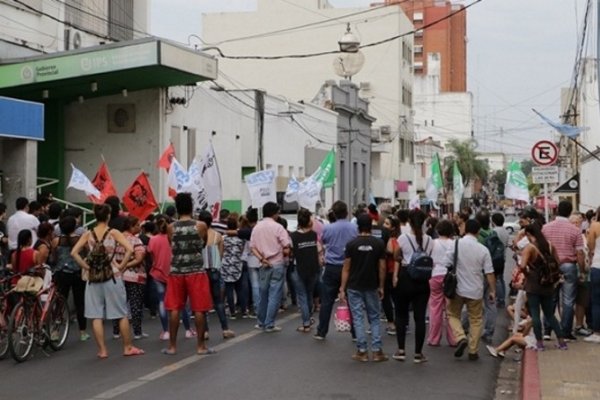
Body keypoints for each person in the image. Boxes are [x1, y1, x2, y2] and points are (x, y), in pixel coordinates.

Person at [71, 204, 144, 358]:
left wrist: (86, 266)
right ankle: (127, 347)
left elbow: (74, 252)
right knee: (121, 313)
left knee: (96, 315)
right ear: (108, 216)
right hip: (112, 276)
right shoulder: (114, 232)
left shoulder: (88, 234)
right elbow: (130, 249)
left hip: (93, 277)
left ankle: (102, 350)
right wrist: (121, 266)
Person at [162, 193, 213, 355]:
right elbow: (203, 244)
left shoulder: (171, 228)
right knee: (199, 309)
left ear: (177, 209)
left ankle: (172, 346)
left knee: (175, 308)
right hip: (196, 270)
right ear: (191, 207)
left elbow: (172, 246)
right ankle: (200, 346)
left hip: (177, 271)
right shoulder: (201, 226)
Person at [339, 214, 388, 362]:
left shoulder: (351, 244)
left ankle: (362, 350)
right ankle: (377, 350)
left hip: (354, 285)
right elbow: (382, 267)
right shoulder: (379, 243)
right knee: (374, 317)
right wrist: (381, 286)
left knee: (358, 317)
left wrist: (342, 288)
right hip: (372, 284)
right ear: (371, 225)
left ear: (358, 226)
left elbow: (346, 268)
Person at [445, 219, 496, 361]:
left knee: (452, 314)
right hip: (476, 289)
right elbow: (489, 272)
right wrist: (492, 290)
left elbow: (446, 262)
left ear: (465, 229)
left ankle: (461, 336)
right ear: (478, 231)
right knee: (476, 319)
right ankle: (473, 350)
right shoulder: (483, 249)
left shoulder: (456, 245)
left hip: (458, 288)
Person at [392, 209, 434, 363]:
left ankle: (401, 350)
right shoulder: (430, 240)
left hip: (405, 277)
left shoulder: (403, 238)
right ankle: (418, 353)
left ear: (409, 222)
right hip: (423, 281)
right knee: (420, 317)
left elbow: (396, 255)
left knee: (401, 315)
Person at [519, 223, 567, 351]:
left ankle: (539, 343)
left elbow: (522, 266)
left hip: (533, 284)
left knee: (535, 313)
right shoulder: (550, 245)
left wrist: (527, 274)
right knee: (550, 315)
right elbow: (558, 262)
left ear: (529, 234)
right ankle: (562, 342)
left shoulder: (530, 248)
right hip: (548, 284)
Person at [542, 200, 586, 341]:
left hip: (551, 266)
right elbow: (580, 253)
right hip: (568, 265)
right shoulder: (574, 230)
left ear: (557, 211)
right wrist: (582, 270)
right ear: (569, 212)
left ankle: (547, 331)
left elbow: (542, 249)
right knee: (568, 300)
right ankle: (565, 332)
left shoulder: (546, 228)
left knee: (550, 297)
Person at [313, 201, 357, 340]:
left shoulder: (328, 228)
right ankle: (356, 332)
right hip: (349, 266)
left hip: (332, 266)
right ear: (347, 212)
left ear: (334, 213)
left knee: (327, 301)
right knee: (353, 301)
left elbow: (323, 241)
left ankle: (322, 331)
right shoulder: (354, 228)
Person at [250, 202, 290, 332]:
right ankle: (269, 323)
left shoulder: (257, 227)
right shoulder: (278, 227)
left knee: (263, 294)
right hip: (277, 263)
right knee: (274, 294)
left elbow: (252, 247)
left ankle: (261, 321)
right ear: (274, 213)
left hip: (263, 263)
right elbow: (286, 247)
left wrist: (262, 258)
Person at [197, 210, 235, 339]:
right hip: (214, 269)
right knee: (218, 301)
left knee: (203, 302)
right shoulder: (217, 235)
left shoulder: (197, 235)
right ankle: (225, 329)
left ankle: (205, 331)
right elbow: (221, 253)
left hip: (201, 270)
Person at [52, 215, 89, 341]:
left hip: (61, 273)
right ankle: (83, 332)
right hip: (77, 273)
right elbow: (87, 253)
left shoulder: (56, 240)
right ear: (75, 227)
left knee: (60, 302)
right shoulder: (80, 239)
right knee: (80, 303)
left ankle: (55, 331)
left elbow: (54, 257)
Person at [112, 216, 147, 340]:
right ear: (131, 226)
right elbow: (139, 259)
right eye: (137, 225)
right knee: (135, 304)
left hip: (117, 276)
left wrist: (119, 267)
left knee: (118, 305)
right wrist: (126, 265)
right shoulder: (135, 241)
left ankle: (116, 331)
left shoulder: (115, 239)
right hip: (134, 276)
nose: (139, 227)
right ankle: (137, 332)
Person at [289, 208, 322, 332]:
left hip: (299, 269)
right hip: (313, 268)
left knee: (302, 296)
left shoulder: (293, 236)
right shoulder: (314, 235)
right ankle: (308, 318)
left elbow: (289, 251)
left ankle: (306, 323)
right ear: (309, 221)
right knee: (308, 294)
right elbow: (319, 250)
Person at [427, 219, 456, 347]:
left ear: (437, 230)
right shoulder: (454, 244)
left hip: (434, 275)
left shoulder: (432, 243)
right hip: (449, 277)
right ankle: (454, 338)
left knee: (435, 308)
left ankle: (434, 338)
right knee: (451, 309)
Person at [222, 216, 246, 324]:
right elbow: (241, 250)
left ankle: (232, 312)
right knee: (239, 288)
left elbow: (222, 251)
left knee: (229, 289)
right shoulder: (240, 239)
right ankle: (244, 310)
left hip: (226, 264)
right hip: (237, 264)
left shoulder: (223, 238)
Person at [382, 214, 400, 335]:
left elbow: (392, 253)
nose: (384, 226)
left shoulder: (391, 240)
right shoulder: (398, 238)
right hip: (395, 271)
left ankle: (392, 323)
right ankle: (399, 322)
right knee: (396, 298)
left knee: (387, 297)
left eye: (387, 224)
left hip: (390, 271)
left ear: (393, 228)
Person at [585, 206, 600, 343]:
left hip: (598, 266)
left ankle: (597, 332)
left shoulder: (595, 226)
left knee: (596, 301)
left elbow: (590, 246)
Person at [491, 212, 510, 308]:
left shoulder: (494, 232)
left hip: (495, 258)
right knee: (501, 278)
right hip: (503, 257)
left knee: (497, 279)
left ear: (493, 221)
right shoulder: (505, 231)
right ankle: (502, 297)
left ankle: (500, 299)